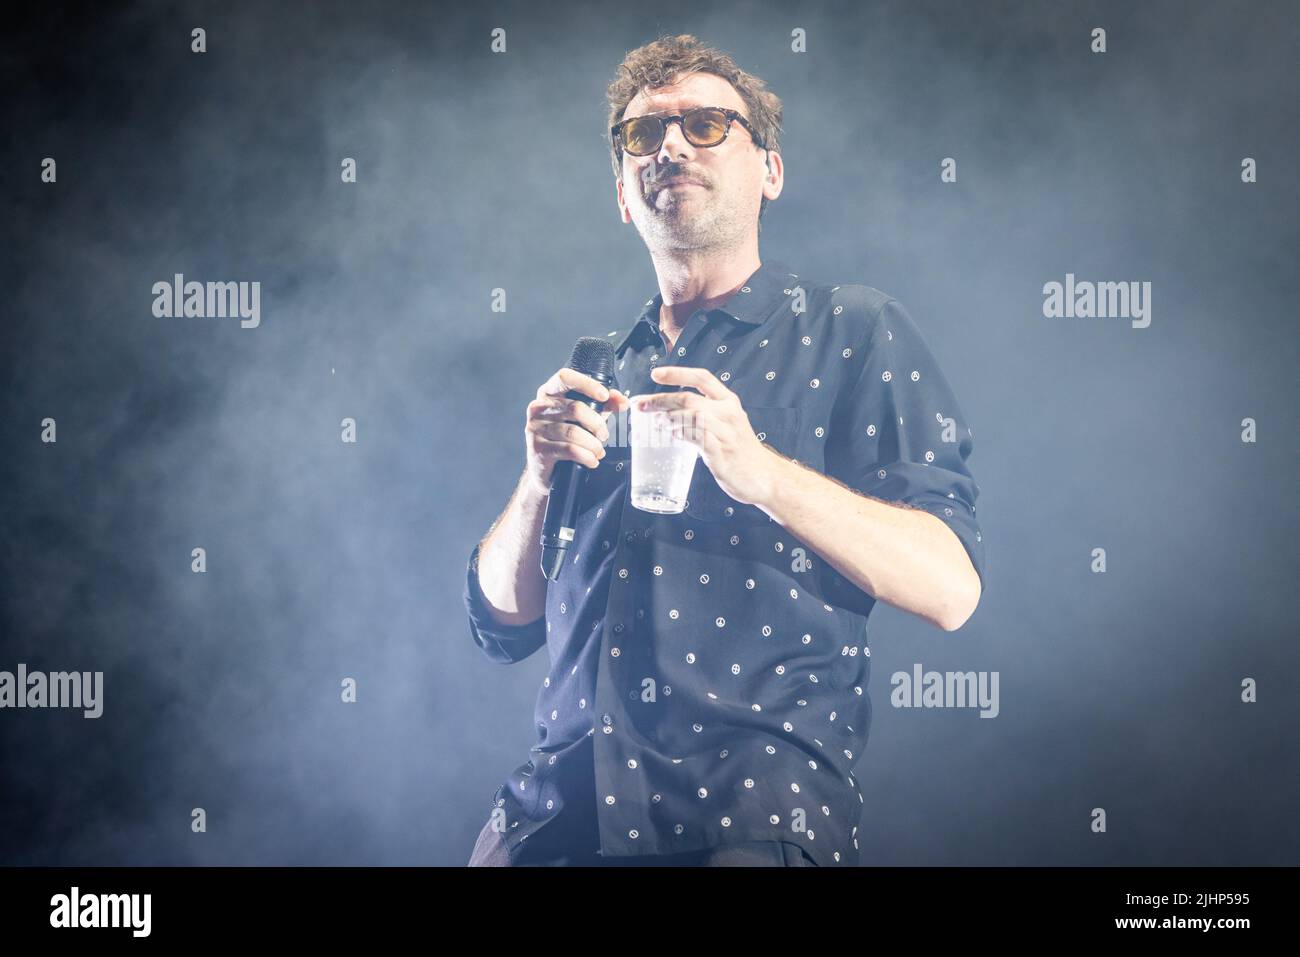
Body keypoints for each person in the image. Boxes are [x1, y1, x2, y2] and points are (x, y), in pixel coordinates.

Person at [463, 34, 986, 867]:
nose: (670, 144)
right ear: (624, 197)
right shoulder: (600, 367)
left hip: (745, 822)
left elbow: (951, 586)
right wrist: (534, 482)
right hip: (553, 826)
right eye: (643, 134)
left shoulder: (851, 330)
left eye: (706, 124)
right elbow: (500, 622)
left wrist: (761, 473)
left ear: (769, 170)